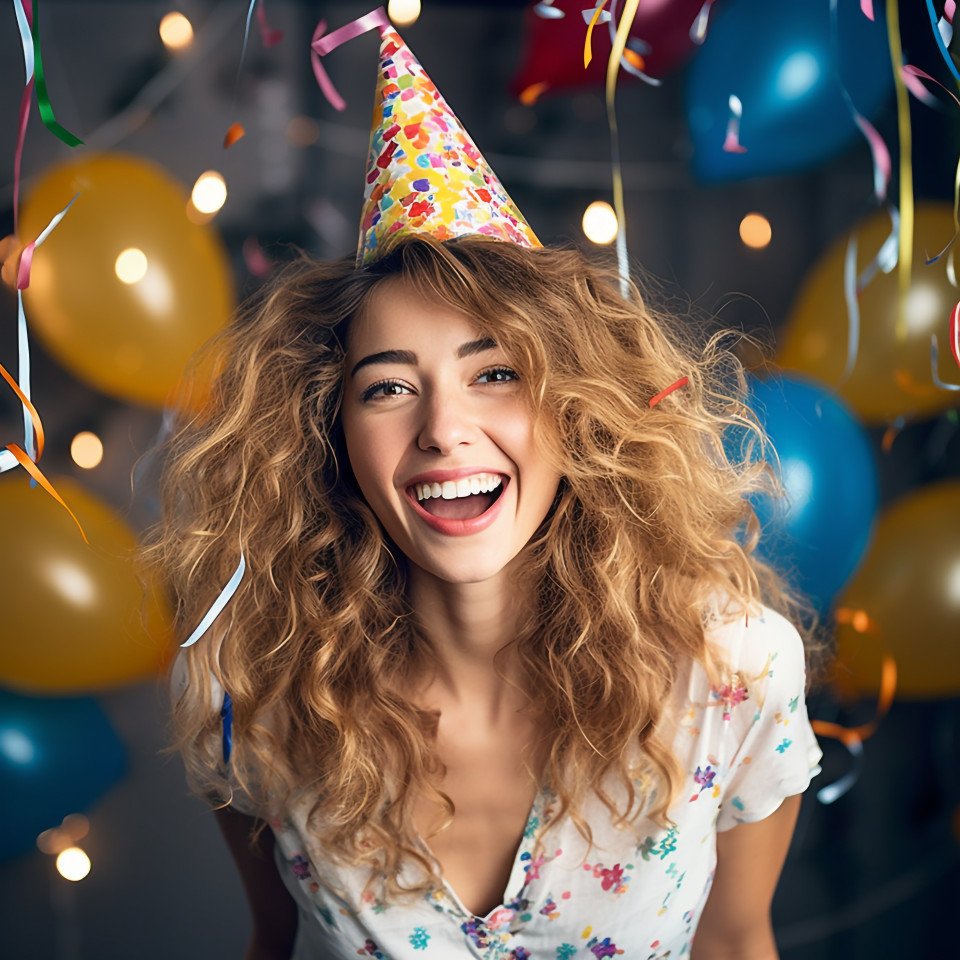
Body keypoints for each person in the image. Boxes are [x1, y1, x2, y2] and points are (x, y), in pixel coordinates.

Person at [142, 14, 822, 960]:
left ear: (575, 408)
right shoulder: (247, 690)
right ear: (330, 432)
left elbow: (738, 942)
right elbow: (273, 942)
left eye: (495, 373)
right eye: (388, 388)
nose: (443, 429)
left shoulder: (735, 672)